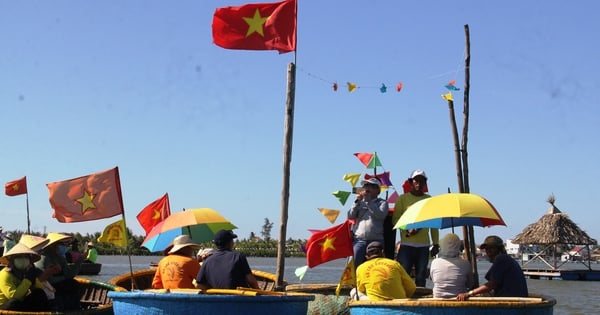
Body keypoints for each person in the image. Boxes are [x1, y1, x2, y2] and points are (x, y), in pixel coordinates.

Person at [393, 169, 439, 287]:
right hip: (406, 245)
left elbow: (433, 223)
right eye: (416, 181)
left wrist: (436, 243)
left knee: (421, 277)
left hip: (424, 246)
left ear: (425, 183)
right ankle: (404, 301)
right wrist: (407, 229)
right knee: (404, 276)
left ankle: (420, 302)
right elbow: (396, 220)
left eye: (422, 181)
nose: (419, 183)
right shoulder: (402, 199)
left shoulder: (429, 199)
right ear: (411, 183)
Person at [457, 236, 528, 300]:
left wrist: (470, 293)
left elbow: (491, 284)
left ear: (499, 249)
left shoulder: (501, 259)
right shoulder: (507, 259)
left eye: (491, 248)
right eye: (486, 249)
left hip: (512, 302)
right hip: (516, 299)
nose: (488, 252)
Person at [0, 243, 59, 311]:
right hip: (4, 307)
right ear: (12, 260)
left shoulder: (25, 273)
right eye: (19, 257)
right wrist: (27, 280)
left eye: (26, 257)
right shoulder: (5, 274)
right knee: (14, 302)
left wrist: (33, 279)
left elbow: (39, 287)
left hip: (20, 302)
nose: (23, 259)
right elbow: (13, 296)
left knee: (39, 293)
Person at [351, 241, 415, 301]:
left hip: (375, 304)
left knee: (353, 291)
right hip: (399, 303)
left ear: (367, 256)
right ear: (382, 252)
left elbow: (360, 289)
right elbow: (412, 287)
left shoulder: (361, 268)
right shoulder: (394, 264)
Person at [35, 232, 83, 311]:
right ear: (53, 244)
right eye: (62, 244)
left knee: (73, 284)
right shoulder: (43, 257)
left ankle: (73, 309)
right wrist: (64, 277)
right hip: (45, 286)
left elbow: (69, 274)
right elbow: (49, 280)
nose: (65, 247)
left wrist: (80, 260)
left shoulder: (60, 257)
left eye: (66, 245)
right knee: (68, 284)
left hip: (57, 284)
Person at [347, 178, 389, 267]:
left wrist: (368, 201)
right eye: (365, 186)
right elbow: (350, 216)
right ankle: (355, 281)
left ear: (378, 190)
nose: (367, 188)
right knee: (353, 264)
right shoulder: (359, 202)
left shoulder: (382, 203)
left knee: (376, 266)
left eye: (370, 186)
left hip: (376, 240)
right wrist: (356, 202)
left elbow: (380, 215)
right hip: (359, 239)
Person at [430, 233, 473, 298]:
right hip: (460, 300)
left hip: (438, 298)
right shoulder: (466, 263)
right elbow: (470, 284)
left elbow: (433, 280)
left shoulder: (435, 262)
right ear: (458, 246)